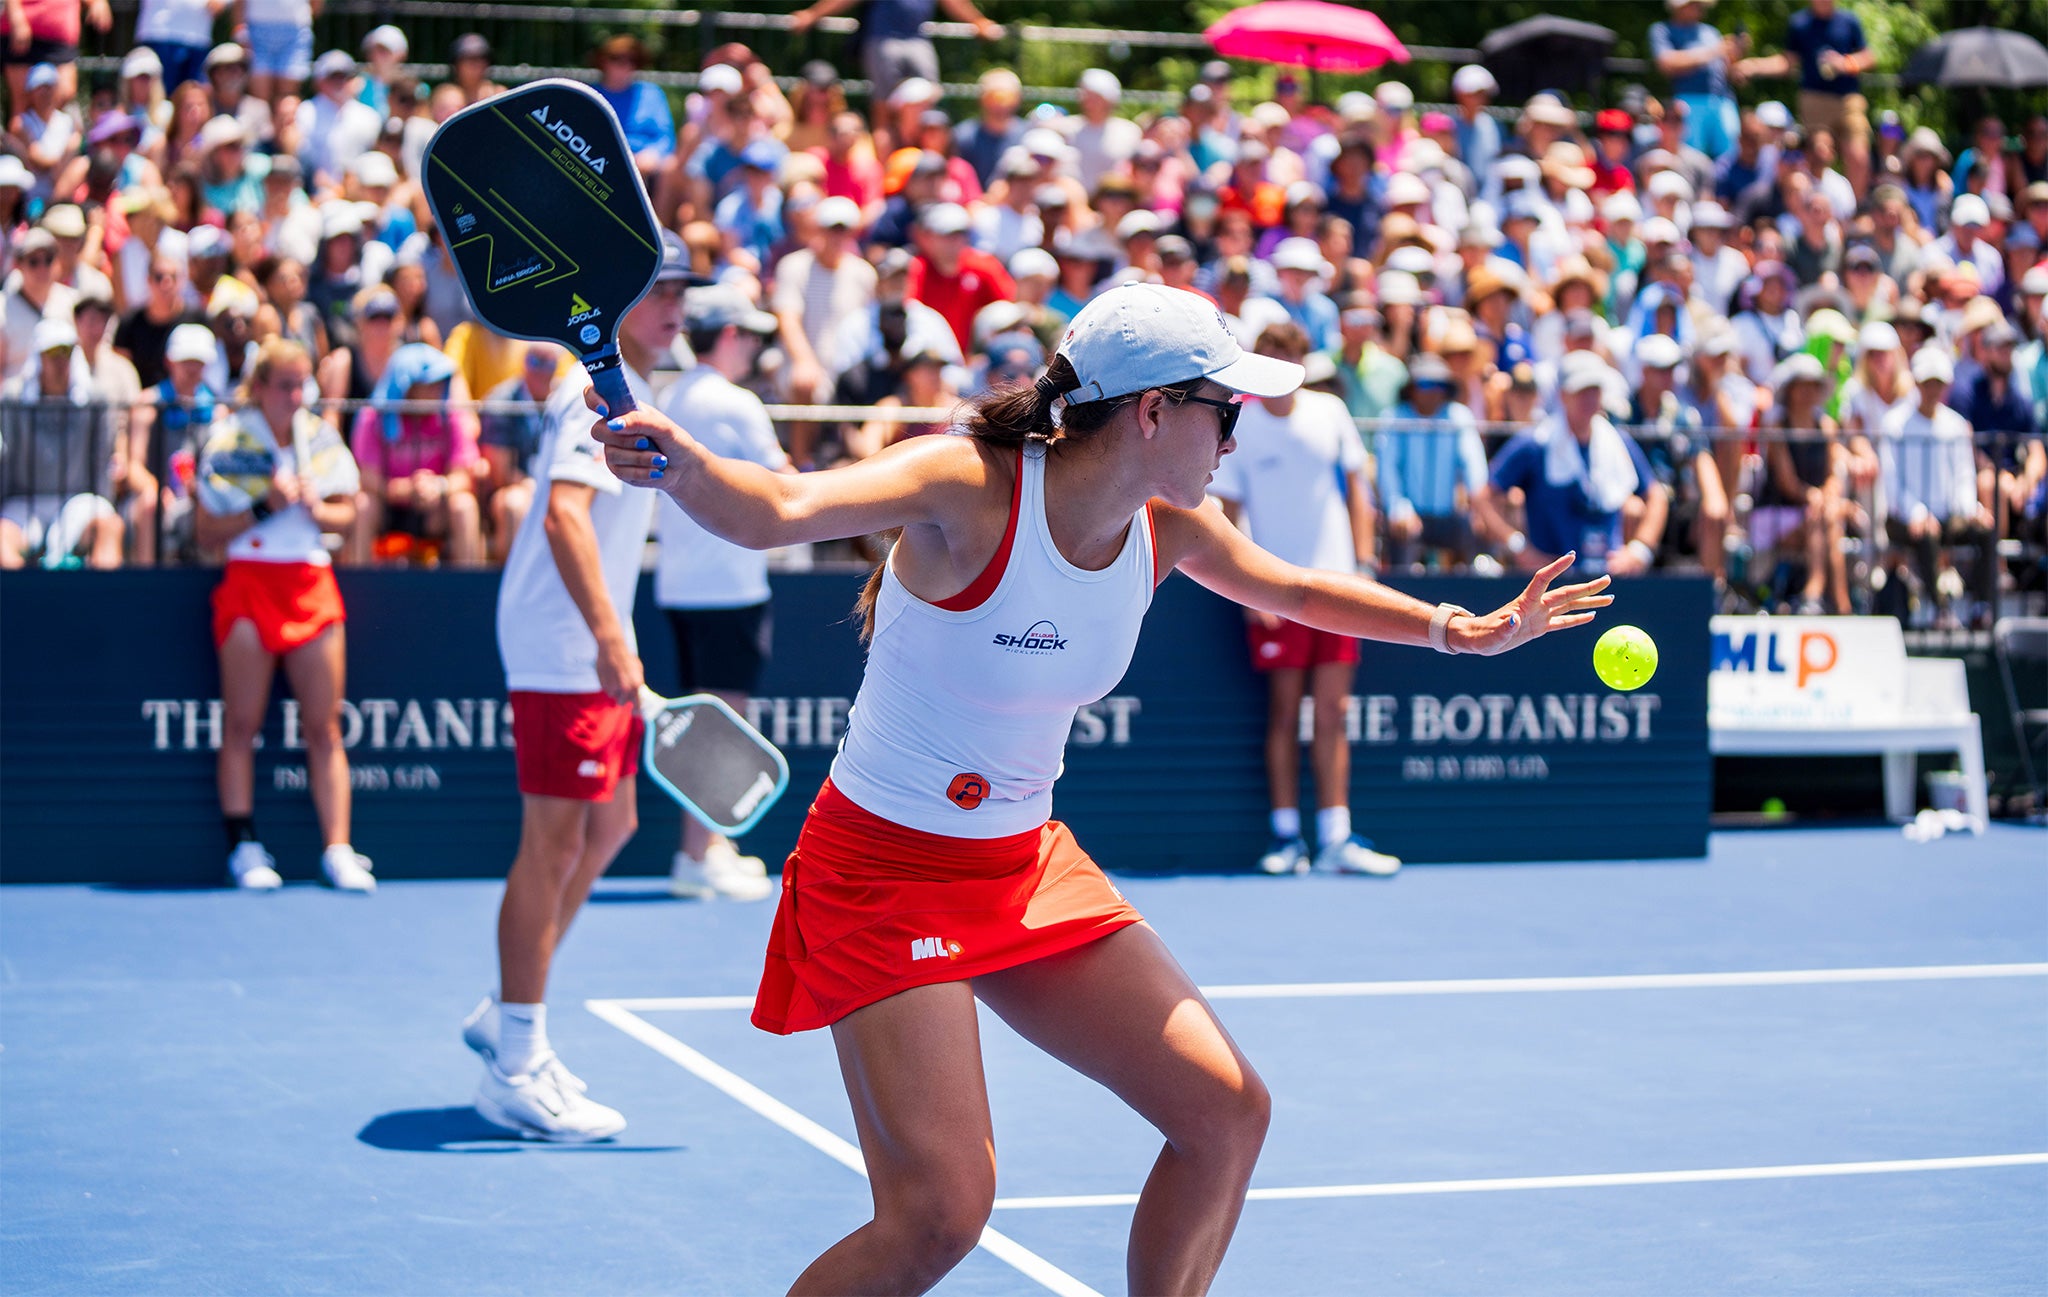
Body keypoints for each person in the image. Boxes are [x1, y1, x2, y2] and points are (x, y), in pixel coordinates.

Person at [590, 281, 1610, 1292]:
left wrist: (1457, 628)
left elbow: (1294, 588)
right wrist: (675, 464)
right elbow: (779, 508)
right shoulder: (967, 483)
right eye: (1226, 410)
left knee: (1224, 1115)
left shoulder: (1170, 532)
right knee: (938, 1214)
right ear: (1153, 411)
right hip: (882, 868)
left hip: (1023, 863)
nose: (1234, 438)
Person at [461, 232, 690, 1143]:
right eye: (663, 289)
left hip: (586, 641)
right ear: (622, 299)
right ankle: (515, 1059)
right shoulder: (595, 389)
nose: (679, 306)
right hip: (564, 645)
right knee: (553, 844)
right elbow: (562, 514)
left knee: (614, 824)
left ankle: (505, 1006)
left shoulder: (627, 388)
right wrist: (606, 637)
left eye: (683, 290)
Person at [1209, 322, 1399, 879]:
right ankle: (1288, 837)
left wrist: (1363, 568)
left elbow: (1358, 491)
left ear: (1300, 361)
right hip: (1273, 589)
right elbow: (1233, 515)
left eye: (1289, 355)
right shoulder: (1240, 422)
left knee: (1334, 714)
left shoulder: (1329, 413)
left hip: (1338, 584)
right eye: (1271, 354)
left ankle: (1336, 836)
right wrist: (1245, 588)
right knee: (1285, 713)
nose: (1281, 365)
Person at [191, 337, 369, 890]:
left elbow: (350, 512)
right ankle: (243, 846)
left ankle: (338, 849)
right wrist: (266, 505)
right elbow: (205, 533)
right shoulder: (228, 441)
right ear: (261, 387)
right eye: (286, 385)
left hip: (310, 579)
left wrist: (319, 509)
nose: (296, 396)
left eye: (301, 385)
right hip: (250, 579)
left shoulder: (320, 438)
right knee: (241, 724)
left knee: (325, 728)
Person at [654, 287, 790, 901]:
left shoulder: (673, 396)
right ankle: (695, 853)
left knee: (705, 718)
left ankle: (711, 845)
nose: (756, 348)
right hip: (728, 587)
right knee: (723, 722)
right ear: (729, 336)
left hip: (683, 585)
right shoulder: (734, 403)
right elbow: (786, 484)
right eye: (751, 336)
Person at [1475, 359, 1668, 578]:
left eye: (1594, 391)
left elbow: (1657, 496)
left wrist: (1639, 550)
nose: (1589, 399)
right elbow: (1483, 497)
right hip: (1553, 583)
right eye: (1580, 391)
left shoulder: (1618, 441)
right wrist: (1520, 548)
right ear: (1563, 395)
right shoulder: (1535, 443)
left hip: (1608, 580)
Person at [0, 315, 122, 568]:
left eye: (66, 351)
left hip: (78, 501)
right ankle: (24, 605)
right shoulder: (11, 399)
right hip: (23, 504)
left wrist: (102, 502)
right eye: (52, 352)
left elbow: (101, 458)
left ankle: (105, 606)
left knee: (110, 527)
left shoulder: (95, 399)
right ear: (38, 356)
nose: (60, 360)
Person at [1377, 351, 1485, 574]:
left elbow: (1474, 466)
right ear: (1412, 388)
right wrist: (1399, 508)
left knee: (1478, 536)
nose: (1433, 392)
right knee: (1402, 546)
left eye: (1440, 385)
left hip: (1449, 517)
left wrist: (1480, 506)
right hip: (1409, 517)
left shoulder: (1459, 417)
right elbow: (1388, 470)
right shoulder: (1394, 418)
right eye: (1425, 384)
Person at [477, 342, 557, 563]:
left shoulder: (562, 400)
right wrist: (534, 486)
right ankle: (516, 583)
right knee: (514, 506)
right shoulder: (501, 401)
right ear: (523, 363)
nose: (541, 370)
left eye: (548, 363)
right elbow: (501, 473)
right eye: (534, 361)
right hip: (515, 487)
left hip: (555, 486)